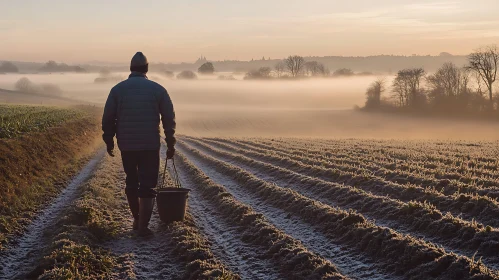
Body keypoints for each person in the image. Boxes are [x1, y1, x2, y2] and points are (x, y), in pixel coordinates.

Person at [102, 52, 176, 236]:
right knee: (148, 184)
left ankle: (136, 218)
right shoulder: (158, 90)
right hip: (150, 144)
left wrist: (109, 139)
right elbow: (168, 117)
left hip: (126, 144)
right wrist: (170, 140)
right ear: (146, 69)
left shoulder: (117, 90)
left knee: (131, 181)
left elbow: (108, 118)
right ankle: (143, 226)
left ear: (131, 69)